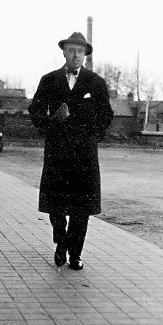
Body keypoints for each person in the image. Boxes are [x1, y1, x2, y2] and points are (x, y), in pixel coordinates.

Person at [28, 32, 114, 270]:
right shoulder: (49, 80)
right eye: (71, 50)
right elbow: (35, 109)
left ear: (85, 55)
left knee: (81, 207)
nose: (76, 55)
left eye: (80, 51)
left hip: (84, 154)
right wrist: (48, 126)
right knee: (55, 203)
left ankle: (74, 254)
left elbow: (106, 114)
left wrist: (92, 136)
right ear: (64, 52)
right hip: (57, 150)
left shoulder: (96, 82)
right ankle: (60, 239)